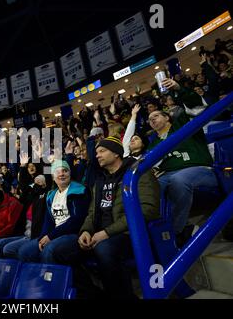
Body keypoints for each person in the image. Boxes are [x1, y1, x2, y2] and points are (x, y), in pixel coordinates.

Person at [76, 136, 160, 298]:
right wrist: (85, 231)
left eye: (102, 151)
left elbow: (147, 210)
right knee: (57, 250)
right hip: (100, 234)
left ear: (116, 154)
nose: (97, 155)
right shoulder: (99, 180)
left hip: (129, 233)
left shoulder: (137, 173)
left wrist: (106, 233)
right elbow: (92, 213)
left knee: (104, 248)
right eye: (96, 152)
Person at [147, 108, 218, 247]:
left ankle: (176, 231)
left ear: (167, 118)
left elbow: (190, 108)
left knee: (178, 179)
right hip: (168, 174)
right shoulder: (153, 143)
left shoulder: (182, 127)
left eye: (156, 116)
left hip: (199, 169)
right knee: (148, 189)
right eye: (149, 119)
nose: (152, 120)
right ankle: (155, 233)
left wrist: (178, 90)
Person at [17, 160, 90, 264]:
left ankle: (51, 279)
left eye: (65, 170)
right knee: (24, 251)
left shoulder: (79, 191)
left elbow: (76, 221)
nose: (61, 174)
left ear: (70, 173)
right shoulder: (51, 195)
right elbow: (48, 220)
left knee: (49, 250)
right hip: (55, 234)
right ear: (53, 177)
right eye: (57, 172)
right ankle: (36, 278)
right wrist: (43, 236)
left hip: (73, 234)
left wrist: (50, 236)